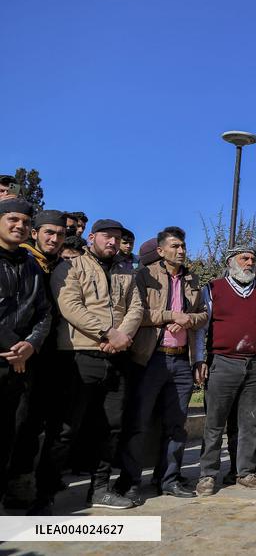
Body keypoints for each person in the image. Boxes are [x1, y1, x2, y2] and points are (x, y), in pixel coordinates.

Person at [42, 218, 144, 510]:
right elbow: (71, 307)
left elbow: (136, 307)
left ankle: (99, 489)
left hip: (117, 356)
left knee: (111, 428)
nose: (112, 242)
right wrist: (107, 333)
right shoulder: (71, 267)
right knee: (64, 429)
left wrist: (122, 336)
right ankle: (45, 495)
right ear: (92, 238)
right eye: (106, 237)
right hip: (80, 355)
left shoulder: (127, 271)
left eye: (117, 238)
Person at [117, 227, 208, 502]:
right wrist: (171, 315)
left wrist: (190, 320)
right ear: (160, 251)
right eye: (175, 246)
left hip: (181, 359)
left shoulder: (192, 279)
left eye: (183, 246)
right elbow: (136, 313)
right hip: (150, 356)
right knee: (139, 421)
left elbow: (203, 315)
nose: (181, 251)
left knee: (176, 424)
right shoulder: (143, 276)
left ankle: (168, 479)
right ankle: (129, 481)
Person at [194, 246, 256, 496]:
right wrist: (200, 359)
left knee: (251, 422)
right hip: (222, 362)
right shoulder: (213, 288)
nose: (250, 263)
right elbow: (202, 328)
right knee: (215, 422)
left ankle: (245, 471)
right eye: (244, 258)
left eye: (253, 259)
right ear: (231, 262)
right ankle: (208, 475)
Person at [4, 210, 65, 509]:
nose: (20, 226)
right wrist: (15, 346)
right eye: (13, 220)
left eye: (25, 222)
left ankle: (20, 486)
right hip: (11, 354)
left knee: (22, 429)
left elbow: (43, 312)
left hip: (32, 358)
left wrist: (30, 344)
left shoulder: (32, 265)